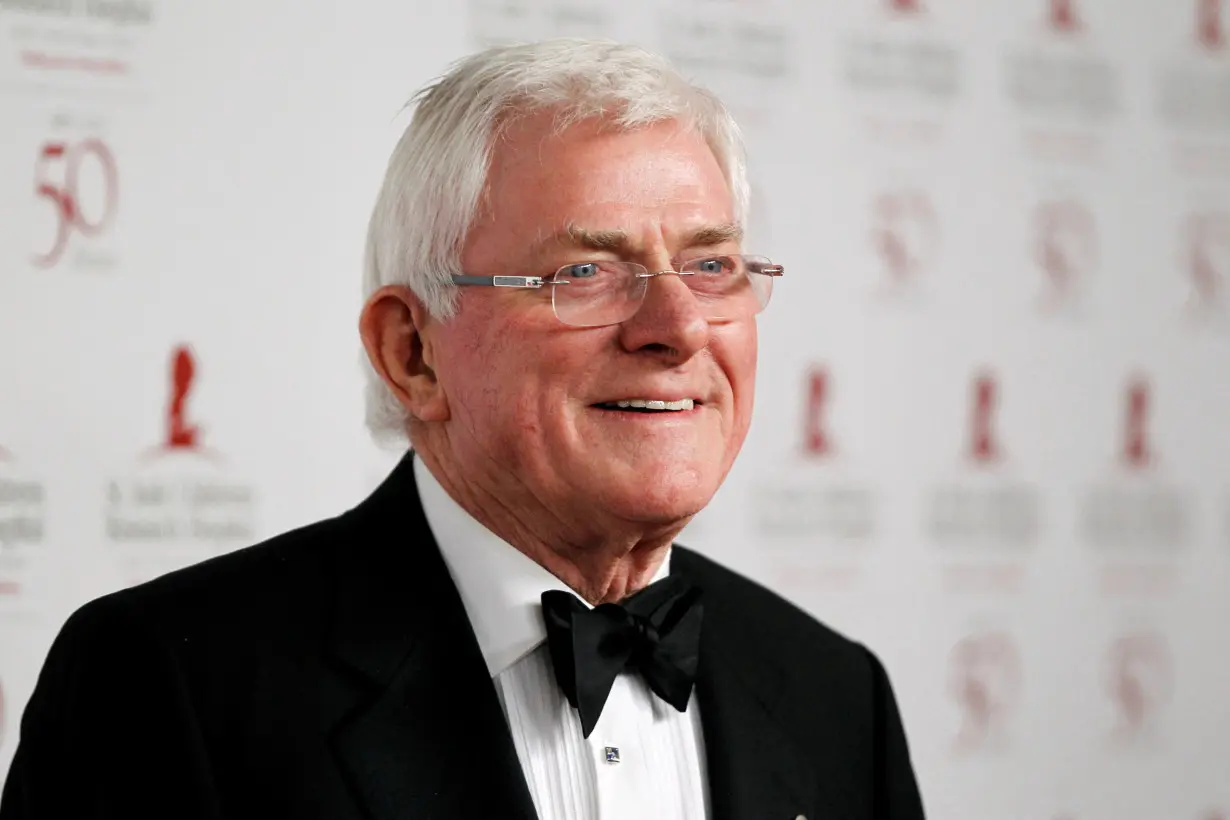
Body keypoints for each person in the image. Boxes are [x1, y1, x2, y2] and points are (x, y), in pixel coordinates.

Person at [0, 39, 925, 820]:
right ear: (413, 352)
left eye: (712, 263)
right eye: (588, 273)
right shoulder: (168, 689)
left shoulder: (835, 698)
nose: (678, 327)